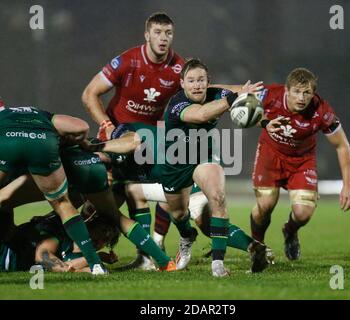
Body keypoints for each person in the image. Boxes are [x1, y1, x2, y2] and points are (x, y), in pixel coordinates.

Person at [81, 12, 185, 269]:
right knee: (103, 205)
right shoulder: (127, 61)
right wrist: (106, 126)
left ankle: (150, 253)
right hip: (119, 136)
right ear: (147, 35)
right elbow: (90, 94)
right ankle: (75, 250)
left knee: (161, 191)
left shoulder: (179, 68)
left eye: (168, 33)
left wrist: (235, 93)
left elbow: (203, 91)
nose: (163, 38)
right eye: (158, 33)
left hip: (148, 142)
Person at [156, 58, 270, 277]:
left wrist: (264, 121)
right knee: (179, 214)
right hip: (175, 163)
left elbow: (243, 107)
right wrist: (237, 96)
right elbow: (201, 114)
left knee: (217, 198)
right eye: (191, 81)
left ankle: (217, 264)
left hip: (203, 158)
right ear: (182, 83)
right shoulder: (177, 104)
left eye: (201, 80)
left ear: (208, 82)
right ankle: (187, 236)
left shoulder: (217, 94)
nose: (197, 85)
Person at [0, 134, 177, 272]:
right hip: (70, 169)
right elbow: (46, 257)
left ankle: (162, 262)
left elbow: (52, 260)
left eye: (104, 240)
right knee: (111, 214)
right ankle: (163, 262)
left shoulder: (68, 232)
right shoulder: (64, 227)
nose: (101, 240)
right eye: (103, 234)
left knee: (10, 201)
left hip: (61, 172)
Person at [250, 67, 350, 260]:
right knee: (265, 205)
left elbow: (342, 145)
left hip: (302, 161)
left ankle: (290, 231)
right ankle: (258, 247)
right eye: (297, 92)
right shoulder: (269, 94)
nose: (301, 98)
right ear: (286, 90)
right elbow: (245, 110)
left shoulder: (321, 110)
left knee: (303, 213)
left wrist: (348, 186)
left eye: (307, 92)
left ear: (313, 93)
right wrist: (262, 122)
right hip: (270, 156)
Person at [0, 104, 107, 275]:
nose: (101, 241)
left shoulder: (4, 117)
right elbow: (81, 127)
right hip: (42, 144)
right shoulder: (42, 114)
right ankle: (96, 265)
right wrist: (82, 141)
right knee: (63, 204)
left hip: (6, 143)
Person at [0, 211, 120, 273]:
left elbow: (95, 271)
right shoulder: (62, 230)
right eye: (102, 230)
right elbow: (43, 257)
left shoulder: (86, 258)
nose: (100, 240)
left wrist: (96, 258)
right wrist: (95, 258)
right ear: (89, 224)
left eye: (106, 240)